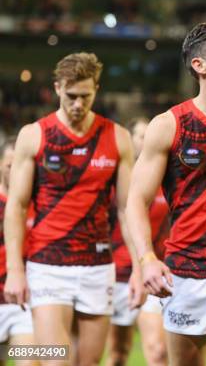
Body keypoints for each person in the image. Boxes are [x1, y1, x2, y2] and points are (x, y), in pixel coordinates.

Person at [3, 52, 141, 366]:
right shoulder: (34, 135)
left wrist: (137, 266)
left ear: (96, 90)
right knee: (56, 359)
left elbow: (125, 209)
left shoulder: (118, 137)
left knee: (88, 362)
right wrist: (15, 270)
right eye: (71, 96)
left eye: (86, 96)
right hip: (48, 264)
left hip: (97, 265)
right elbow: (17, 206)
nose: (78, 104)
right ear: (56, 88)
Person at [126, 22, 206, 366]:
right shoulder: (169, 125)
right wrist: (147, 258)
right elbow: (136, 200)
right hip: (187, 274)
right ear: (200, 65)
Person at [107, 117, 169, 366]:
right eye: (141, 136)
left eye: (149, 135)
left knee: (157, 351)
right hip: (116, 275)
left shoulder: (166, 181)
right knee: (118, 354)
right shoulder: (114, 183)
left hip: (151, 272)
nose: (146, 141)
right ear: (130, 141)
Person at [0, 137, 38, 366]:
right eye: (8, 166)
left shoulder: (40, 204)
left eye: (19, 165)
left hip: (23, 303)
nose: (15, 172)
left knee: (33, 359)